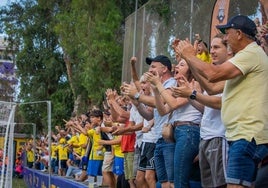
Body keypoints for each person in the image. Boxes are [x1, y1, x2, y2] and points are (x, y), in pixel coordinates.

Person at [175, 15, 268, 187]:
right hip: (241, 135)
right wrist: (189, 59)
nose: (226, 37)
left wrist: (190, 55)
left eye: (228, 33)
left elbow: (212, 74)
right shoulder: (244, 60)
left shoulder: (251, 53)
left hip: (247, 135)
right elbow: (212, 87)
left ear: (239, 33)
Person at [173, 34, 232, 187]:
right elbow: (205, 108)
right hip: (205, 138)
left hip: (220, 136)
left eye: (217, 47)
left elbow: (220, 103)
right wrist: (191, 96)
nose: (212, 51)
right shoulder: (213, 77)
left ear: (229, 51)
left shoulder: (230, 75)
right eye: (211, 47)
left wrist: (192, 94)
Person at [145, 58, 203, 188]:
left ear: (190, 69)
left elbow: (174, 104)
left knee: (179, 181)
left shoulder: (194, 84)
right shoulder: (178, 86)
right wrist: (155, 90)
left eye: (181, 64)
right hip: (178, 133)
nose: (176, 66)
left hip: (189, 131)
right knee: (174, 181)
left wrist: (159, 86)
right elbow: (163, 111)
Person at [123, 55, 177, 188]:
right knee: (164, 181)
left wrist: (137, 95)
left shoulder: (171, 83)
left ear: (164, 69)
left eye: (153, 66)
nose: (150, 69)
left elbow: (165, 102)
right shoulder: (157, 88)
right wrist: (136, 103)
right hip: (159, 138)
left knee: (170, 181)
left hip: (168, 139)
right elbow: (148, 115)